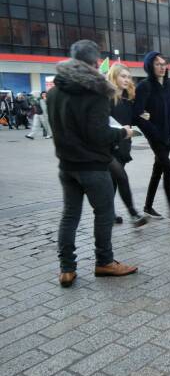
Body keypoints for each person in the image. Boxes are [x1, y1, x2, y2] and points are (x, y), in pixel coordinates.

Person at [47, 39, 138, 287]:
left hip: (67, 166)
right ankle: (104, 262)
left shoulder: (54, 92)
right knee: (104, 213)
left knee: (70, 215)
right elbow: (99, 134)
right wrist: (124, 133)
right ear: (95, 63)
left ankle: (67, 269)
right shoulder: (97, 92)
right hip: (93, 166)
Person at [133, 51, 170, 223]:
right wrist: (152, 130)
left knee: (157, 170)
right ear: (150, 66)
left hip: (168, 135)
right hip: (155, 136)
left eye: (164, 64)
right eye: (157, 64)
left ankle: (148, 207)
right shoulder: (144, 86)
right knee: (169, 169)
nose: (162, 67)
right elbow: (137, 114)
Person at [106, 64, 148, 228]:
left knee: (114, 181)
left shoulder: (128, 98)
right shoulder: (106, 97)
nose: (127, 80)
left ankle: (109, 214)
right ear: (114, 77)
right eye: (123, 76)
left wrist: (144, 116)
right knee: (121, 177)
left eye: (128, 77)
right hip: (109, 146)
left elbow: (133, 119)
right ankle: (133, 213)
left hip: (124, 145)